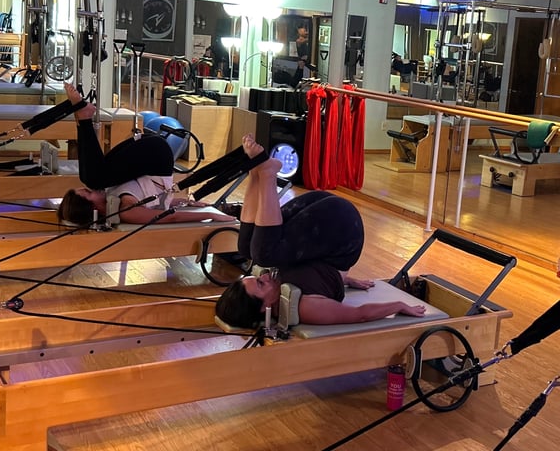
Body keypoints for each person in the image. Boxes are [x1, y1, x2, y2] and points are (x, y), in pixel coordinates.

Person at [215, 135, 427, 328]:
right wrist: (398, 305)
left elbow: (312, 272)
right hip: (343, 230)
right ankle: (267, 174)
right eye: (261, 284)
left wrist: (345, 280)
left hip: (322, 217)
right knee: (263, 254)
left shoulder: (282, 290)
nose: (267, 277)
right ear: (264, 308)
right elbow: (360, 314)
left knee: (246, 249)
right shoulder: (305, 308)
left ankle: (255, 172)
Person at [58, 82, 236, 226]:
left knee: (91, 176)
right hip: (156, 156)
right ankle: (83, 118)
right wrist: (211, 215)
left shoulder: (112, 199)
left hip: (146, 153)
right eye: (89, 193)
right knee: (93, 178)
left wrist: (185, 202)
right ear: (93, 208)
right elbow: (169, 216)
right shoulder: (127, 212)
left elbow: (155, 202)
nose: (94, 191)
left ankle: (82, 118)